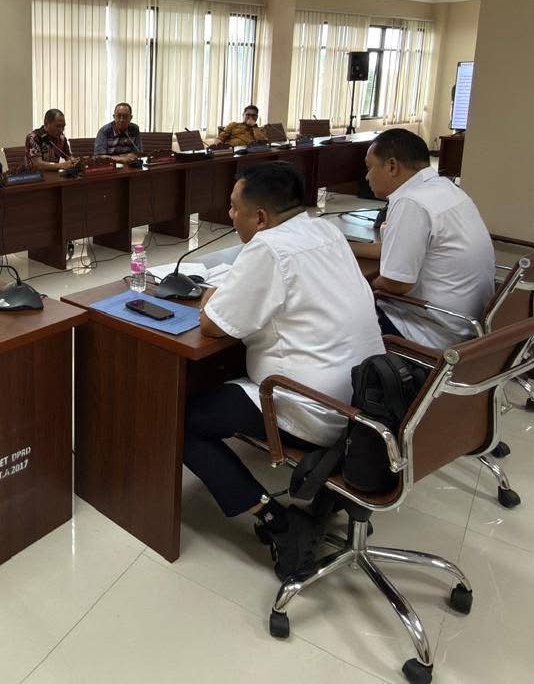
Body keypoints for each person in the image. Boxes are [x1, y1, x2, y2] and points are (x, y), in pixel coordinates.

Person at [184, 162, 384, 580]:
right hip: (365, 398)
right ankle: (323, 494)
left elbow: (213, 324)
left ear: (260, 217)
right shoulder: (326, 230)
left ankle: (276, 521)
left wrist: (211, 295)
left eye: (234, 208)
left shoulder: (268, 248)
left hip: (311, 405)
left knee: (180, 421)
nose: (230, 215)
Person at [349, 128, 495, 347]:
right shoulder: (445, 188)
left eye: (370, 167)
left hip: (428, 330)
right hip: (466, 324)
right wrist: (347, 246)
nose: (367, 176)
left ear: (391, 166)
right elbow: (394, 248)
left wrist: (366, 284)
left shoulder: (411, 202)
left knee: (338, 306)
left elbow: (396, 283)